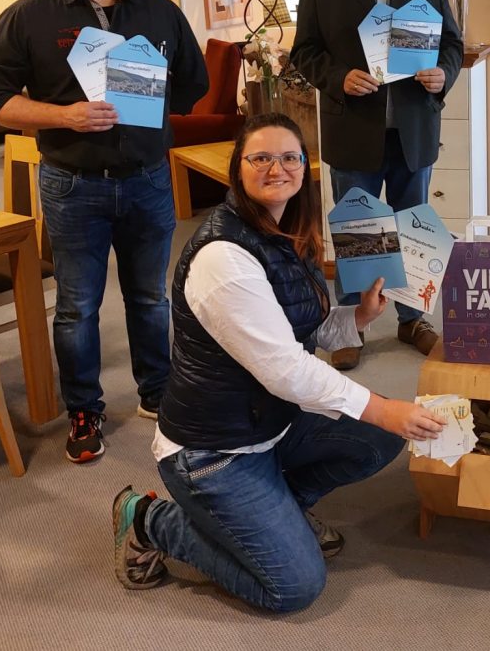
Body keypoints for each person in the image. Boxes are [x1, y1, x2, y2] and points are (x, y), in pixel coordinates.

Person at [112, 113, 445, 612]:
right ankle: (149, 520)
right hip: (213, 452)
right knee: (294, 586)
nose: (277, 168)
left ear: (305, 168)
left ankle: (279, 510)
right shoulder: (223, 258)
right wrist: (378, 406)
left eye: (289, 157)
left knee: (379, 437)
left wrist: (357, 316)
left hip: (272, 422)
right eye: (261, 158)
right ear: (237, 169)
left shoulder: (288, 229)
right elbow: (285, 368)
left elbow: (297, 327)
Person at [0, 0, 208, 464]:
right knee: (77, 305)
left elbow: (191, 85)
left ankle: (157, 391)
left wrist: (143, 106)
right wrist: (65, 117)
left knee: (151, 297)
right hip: (73, 185)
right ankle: (85, 408)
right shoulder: (29, 16)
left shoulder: (158, 10)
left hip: (149, 180)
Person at [290, 0, 464, 371]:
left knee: (414, 229)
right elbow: (303, 52)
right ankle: (351, 326)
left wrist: (443, 74)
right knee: (358, 232)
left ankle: (412, 319)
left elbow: (452, 43)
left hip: (412, 132)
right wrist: (338, 79)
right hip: (354, 130)